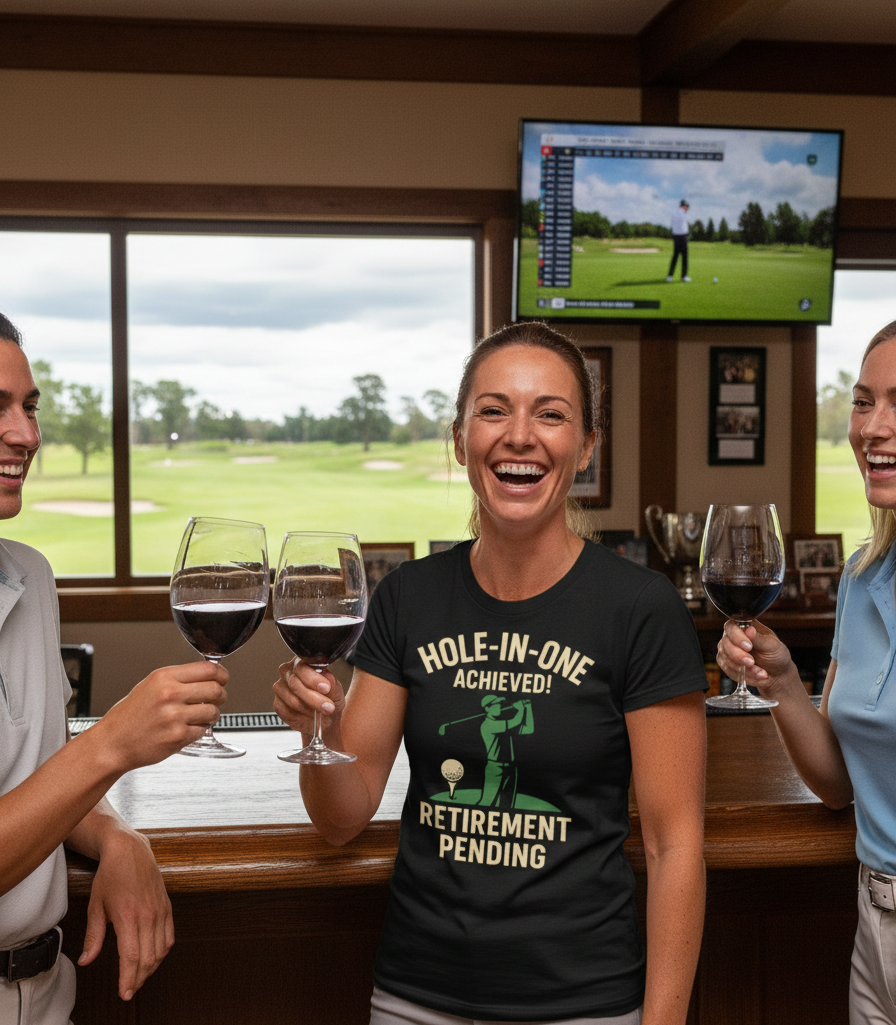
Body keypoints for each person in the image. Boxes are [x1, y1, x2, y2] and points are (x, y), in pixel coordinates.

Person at [274, 322, 708, 1025]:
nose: (520, 436)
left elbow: (674, 845)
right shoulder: (406, 598)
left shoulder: (640, 608)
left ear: (587, 447)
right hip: (416, 995)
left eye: (551, 414)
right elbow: (342, 817)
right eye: (494, 410)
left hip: (584, 1001)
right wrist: (315, 728)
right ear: (459, 439)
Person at [0, 312, 229, 1024]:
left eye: (29, 407)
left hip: (46, 995)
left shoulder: (32, 577)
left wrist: (116, 837)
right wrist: (113, 743)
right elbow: (82, 760)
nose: (26, 435)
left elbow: (45, 774)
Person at [716, 318, 896, 1025]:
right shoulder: (862, 575)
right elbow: (839, 786)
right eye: (863, 402)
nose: (873, 428)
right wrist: (783, 683)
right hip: (874, 922)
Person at [667, 200, 691, 283]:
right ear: (684, 206)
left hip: (675, 237)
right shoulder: (683, 213)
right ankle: (684, 276)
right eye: (687, 207)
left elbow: (672, 224)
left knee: (675, 256)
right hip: (683, 237)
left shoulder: (674, 212)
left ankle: (670, 276)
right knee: (684, 257)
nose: (687, 209)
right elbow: (685, 225)